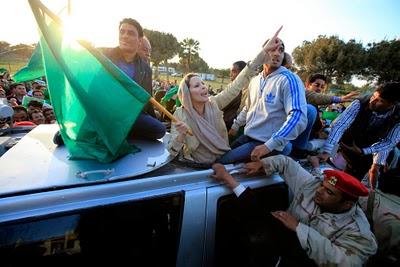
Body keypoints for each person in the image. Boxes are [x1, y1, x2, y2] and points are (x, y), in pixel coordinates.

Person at [211, 155, 377, 266]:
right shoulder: (312, 186)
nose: (319, 191)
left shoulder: (358, 233)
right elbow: (286, 163)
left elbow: (343, 262)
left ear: (346, 205)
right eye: (322, 185)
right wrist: (263, 164)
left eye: (329, 192)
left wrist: (299, 227)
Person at [168, 27, 283, 164]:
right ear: (187, 94)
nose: (204, 87)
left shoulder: (214, 103)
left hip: (223, 159)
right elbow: (171, 152)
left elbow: (237, 84)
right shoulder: (179, 115)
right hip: (198, 166)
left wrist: (263, 53)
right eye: (197, 86)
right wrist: (181, 135)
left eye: (203, 83)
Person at [219, 38, 307, 164]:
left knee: (220, 163)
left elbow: (298, 116)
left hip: (267, 143)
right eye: (272, 49)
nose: (277, 53)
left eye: (281, 50)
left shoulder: (289, 79)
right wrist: (235, 126)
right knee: (218, 155)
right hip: (248, 137)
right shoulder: (255, 80)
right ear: (263, 52)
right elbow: (248, 107)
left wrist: (269, 145)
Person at [319, 82, 400, 187]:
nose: (373, 101)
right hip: (345, 143)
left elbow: (389, 141)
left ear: (391, 104)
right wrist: (327, 151)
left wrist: (373, 160)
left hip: (366, 152)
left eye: (380, 101)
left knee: (349, 184)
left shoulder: (397, 115)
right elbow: (340, 125)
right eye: (374, 96)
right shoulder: (360, 102)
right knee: (330, 175)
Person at [103, 18, 165, 140]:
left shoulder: (146, 69)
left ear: (140, 40)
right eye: (122, 32)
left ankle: (118, 131)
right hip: (104, 110)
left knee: (159, 130)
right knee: (59, 138)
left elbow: (146, 99)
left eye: (130, 33)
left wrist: (153, 118)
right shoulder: (103, 55)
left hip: (130, 115)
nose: (125, 36)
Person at [222, 61, 247, 131]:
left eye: (234, 71)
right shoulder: (233, 86)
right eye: (231, 71)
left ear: (243, 72)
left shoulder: (244, 89)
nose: (230, 74)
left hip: (232, 126)